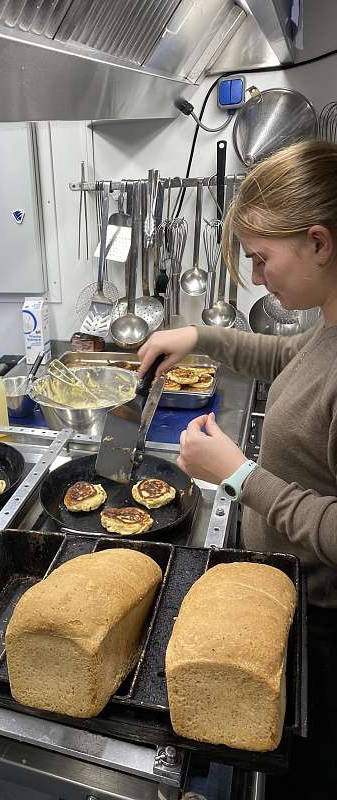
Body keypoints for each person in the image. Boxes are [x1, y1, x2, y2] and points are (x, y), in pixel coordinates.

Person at [138, 139, 337, 798]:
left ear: (318, 242)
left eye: (262, 258)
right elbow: (286, 358)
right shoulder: (329, 326)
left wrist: (238, 474)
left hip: (326, 641)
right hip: (292, 608)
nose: (256, 278)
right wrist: (197, 336)